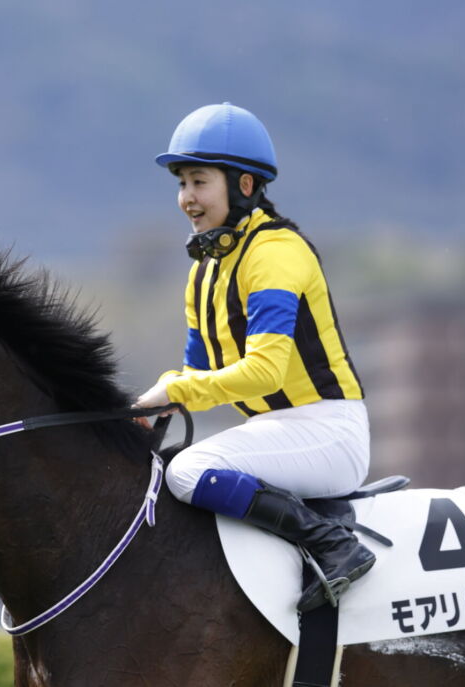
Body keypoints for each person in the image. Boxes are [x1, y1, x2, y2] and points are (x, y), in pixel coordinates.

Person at [134, 102, 374, 612]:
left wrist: (174, 390)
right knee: (166, 466)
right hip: (278, 430)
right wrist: (149, 407)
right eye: (182, 183)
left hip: (329, 430)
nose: (186, 198)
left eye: (199, 182)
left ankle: (333, 545)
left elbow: (264, 371)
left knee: (186, 473)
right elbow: (198, 376)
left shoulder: (275, 252)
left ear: (244, 185)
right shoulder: (204, 270)